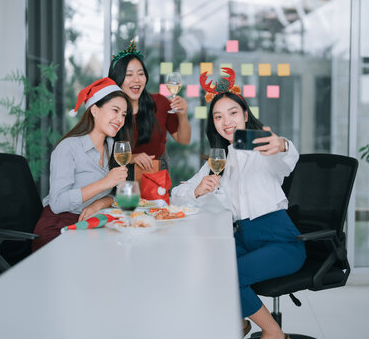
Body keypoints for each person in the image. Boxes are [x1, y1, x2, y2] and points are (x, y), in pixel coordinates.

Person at [171, 69, 305, 339]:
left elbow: (288, 160)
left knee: (229, 275)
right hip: (243, 237)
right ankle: (239, 322)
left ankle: (273, 332)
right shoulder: (219, 159)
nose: (226, 121)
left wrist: (281, 145)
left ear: (245, 115)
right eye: (218, 116)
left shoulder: (261, 145)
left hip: (281, 240)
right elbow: (177, 194)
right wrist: (197, 190)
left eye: (232, 113)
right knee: (205, 267)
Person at [32, 78, 133, 252]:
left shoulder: (113, 147)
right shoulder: (68, 148)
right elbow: (57, 203)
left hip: (90, 224)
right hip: (58, 229)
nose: (120, 119)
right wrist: (104, 183)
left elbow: (117, 195)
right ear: (94, 110)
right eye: (115, 111)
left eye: (123, 114)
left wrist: (100, 203)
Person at [108, 40, 191, 177]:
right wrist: (132, 157)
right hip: (120, 176)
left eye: (141, 74)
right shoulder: (109, 110)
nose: (137, 80)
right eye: (129, 75)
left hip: (157, 175)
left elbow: (184, 140)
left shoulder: (160, 103)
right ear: (117, 80)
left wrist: (182, 115)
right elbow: (100, 154)